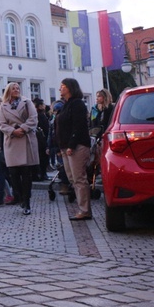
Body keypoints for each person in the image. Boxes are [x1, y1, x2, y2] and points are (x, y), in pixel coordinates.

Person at [0, 82, 39, 215]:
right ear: (8, 91)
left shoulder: (27, 102)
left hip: (25, 139)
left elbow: (33, 118)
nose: (16, 90)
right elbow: (1, 123)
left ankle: (26, 201)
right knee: (13, 174)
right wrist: (12, 131)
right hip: (12, 140)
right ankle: (19, 196)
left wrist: (23, 128)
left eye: (18, 88)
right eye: (13, 88)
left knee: (26, 174)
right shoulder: (3, 106)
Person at [56, 78, 93, 221]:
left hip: (76, 146)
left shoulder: (77, 104)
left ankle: (85, 210)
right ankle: (82, 208)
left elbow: (78, 127)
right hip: (66, 146)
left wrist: (71, 145)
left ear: (70, 88)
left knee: (79, 179)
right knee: (73, 178)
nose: (60, 89)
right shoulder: (66, 105)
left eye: (63, 86)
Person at [33, 98, 51, 181]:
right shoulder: (40, 115)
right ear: (39, 106)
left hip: (39, 139)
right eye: (43, 105)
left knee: (41, 157)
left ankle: (40, 174)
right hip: (41, 140)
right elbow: (46, 129)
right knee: (43, 158)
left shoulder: (37, 115)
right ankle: (42, 174)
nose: (44, 106)